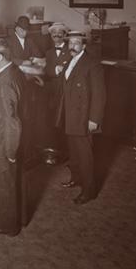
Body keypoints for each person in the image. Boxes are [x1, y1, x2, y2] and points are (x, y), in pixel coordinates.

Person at [56, 30, 106, 204]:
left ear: (83, 46)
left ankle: (89, 190)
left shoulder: (92, 64)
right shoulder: (70, 61)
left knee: (85, 155)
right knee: (74, 152)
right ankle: (76, 178)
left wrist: (94, 119)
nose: (72, 46)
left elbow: (100, 95)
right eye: (70, 43)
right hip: (69, 116)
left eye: (76, 43)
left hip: (83, 118)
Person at [0, 38, 25, 236]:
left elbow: (11, 121)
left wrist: (10, 151)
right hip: (9, 140)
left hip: (3, 142)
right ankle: (18, 218)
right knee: (11, 181)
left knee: (0, 184)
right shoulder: (13, 72)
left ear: (0, 57)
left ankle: (8, 226)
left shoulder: (5, 83)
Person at [43, 22, 72, 164]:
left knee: (65, 123)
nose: (56, 35)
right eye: (54, 33)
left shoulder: (71, 51)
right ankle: (55, 152)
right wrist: (55, 70)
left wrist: (63, 69)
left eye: (60, 33)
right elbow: (46, 71)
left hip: (67, 93)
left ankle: (67, 153)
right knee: (53, 122)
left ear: (64, 35)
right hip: (52, 93)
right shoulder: (48, 53)